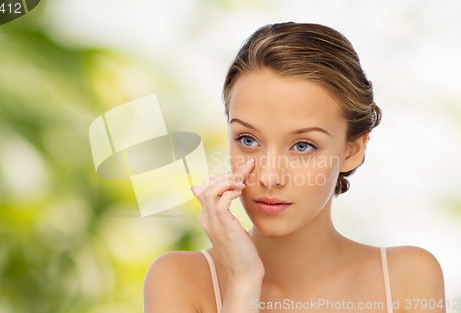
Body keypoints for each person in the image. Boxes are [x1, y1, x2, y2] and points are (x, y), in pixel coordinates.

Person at [143, 22, 445, 313]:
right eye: (248, 139)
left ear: (352, 150)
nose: (270, 177)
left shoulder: (408, 278)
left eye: (303, 146)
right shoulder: (178, 279)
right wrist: (244, 281)